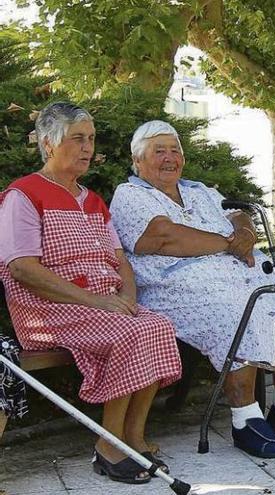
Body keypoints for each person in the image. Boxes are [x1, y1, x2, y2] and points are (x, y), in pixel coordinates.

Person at [109, 121, 275, 459]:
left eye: (175, 150)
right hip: (175, 287)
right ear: (138, 161)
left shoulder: (199, 190)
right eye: (159, 151)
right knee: (238, 308)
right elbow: (164, 237)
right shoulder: (130, 194)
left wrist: (245, 231)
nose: (170, 158)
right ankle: (245, 419)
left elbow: (239, 213)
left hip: (234, 273)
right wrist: (228, 243)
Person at [0, 102, 182, 485]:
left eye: (91, 139)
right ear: (49, 145)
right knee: (131, 332)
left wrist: (128, 298)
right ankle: (109, 445)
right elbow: (22, 268)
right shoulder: (24, 195)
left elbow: (121, 262)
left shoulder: (93, 200)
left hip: (105, 306)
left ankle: (133, 437)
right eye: (77, 139)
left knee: (157, 325)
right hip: (50, 310)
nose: (87, 147)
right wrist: (98, 302)